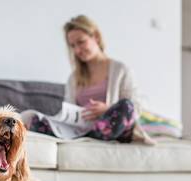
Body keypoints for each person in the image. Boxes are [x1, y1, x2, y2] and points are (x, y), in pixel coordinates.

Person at [30, 15, 153, 144]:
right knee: (36, 122)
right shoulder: (74, 78)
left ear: (96, 37)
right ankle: (91, 135)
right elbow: (68, 111)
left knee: (127, 105)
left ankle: (100, 133)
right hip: (82, 129)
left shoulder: (121, 70)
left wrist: (108, 109)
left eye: (81, 42)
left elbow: (136, 107)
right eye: (72, 46)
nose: (77, 50)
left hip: (113, 126)